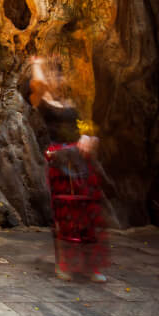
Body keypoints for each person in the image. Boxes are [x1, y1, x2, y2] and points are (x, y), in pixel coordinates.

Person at [22, 56, 108, 282]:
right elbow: (39, 84)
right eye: (54, 75)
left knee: (88, 211)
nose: (58, 80)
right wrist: (37, 64)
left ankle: (92, 265)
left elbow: (84, 128)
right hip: (60, 158)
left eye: (59, 75)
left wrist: (89, 138)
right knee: (65, 211)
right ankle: (65, 263)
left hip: (80, 158)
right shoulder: (39, 99)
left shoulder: (69, 102)